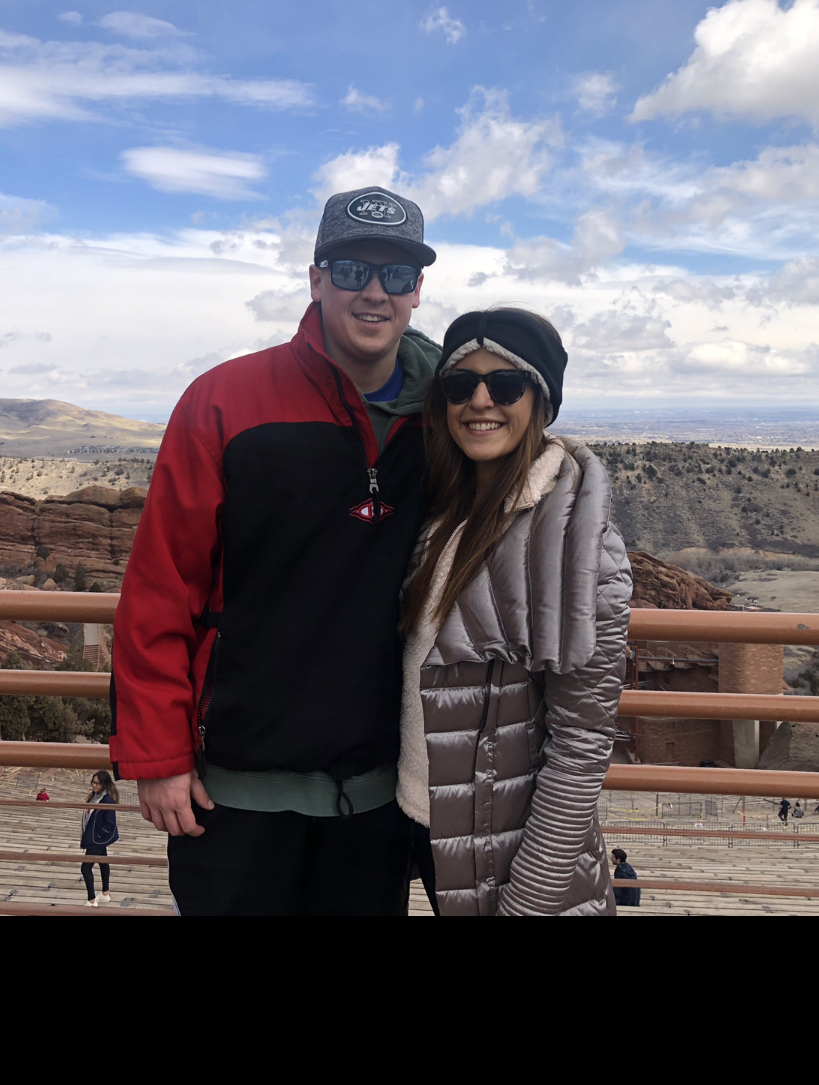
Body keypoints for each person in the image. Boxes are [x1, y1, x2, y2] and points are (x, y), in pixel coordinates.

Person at [112, 186, 442, 916]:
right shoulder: (223, 401)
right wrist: (158, 757)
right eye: (352, 270)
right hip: (232, 789)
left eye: (396, 274)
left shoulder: (449, 416)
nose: (375, 292)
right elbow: (162, 588)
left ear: (417, 289)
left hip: (379, 793)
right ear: (317, 278)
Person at [397, 309, 632, 915]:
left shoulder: (576, 541)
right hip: (423, 822)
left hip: (509, 855)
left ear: (541, 401)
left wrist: (528, 902)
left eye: (505, 384)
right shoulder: (441, 513)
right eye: (460, 384)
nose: (480, 401)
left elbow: (581, 744)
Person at [81, 771, 120, 906]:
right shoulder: (94, 796)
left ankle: (91, 900)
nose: (94, 785)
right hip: (94, 837)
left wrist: (98, 835)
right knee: (103, 862)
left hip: (96, 839)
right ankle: (105, 894)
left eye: (98, 783)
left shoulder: (107, 800)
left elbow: (111, 823)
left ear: (105, 784)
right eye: (93, 782)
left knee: (85, 868)